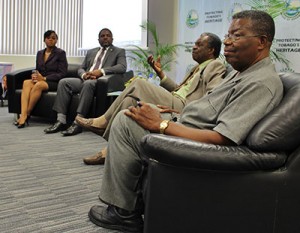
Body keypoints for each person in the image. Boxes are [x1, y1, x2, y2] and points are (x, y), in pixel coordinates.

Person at [87, 10, 284, 233]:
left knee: (125, 120)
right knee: (139, 108)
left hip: (195, 143)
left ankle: (124, 213)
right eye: (228, 35)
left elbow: (222, 138)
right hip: (184, 122)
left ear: (261, 42)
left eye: (236, 35)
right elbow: (205, 106)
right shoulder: (242, 73)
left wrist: (161, 125)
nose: (227, 42)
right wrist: (171, 115)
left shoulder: (260, 83)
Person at [76, 32, 227, 165]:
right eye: (194, 44)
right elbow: (177, 89)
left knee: (139, 83)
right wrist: (160, 73)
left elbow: (212, 98)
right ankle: (111, 149)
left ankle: (103, 122)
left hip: (183, 108)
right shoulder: (196, 68)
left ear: (211, 50)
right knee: (130, 103)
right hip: (174, 99)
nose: (194, 47)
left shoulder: (215, 66)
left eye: (199, 44)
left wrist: (180, 112)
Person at [44, 28, 127, 136]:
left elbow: (122, 67)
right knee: (64, 82)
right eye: (102, 36)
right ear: (98, 39)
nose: (105, 37)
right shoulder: (91, 52)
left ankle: (78, 122)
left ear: (112, 38)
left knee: (88, 84)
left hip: (100, 82)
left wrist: (100, 72)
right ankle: (61, 120)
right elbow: (81, 68)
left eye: (108, 35)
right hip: (86, 79)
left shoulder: (119, 51)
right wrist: (84, 75)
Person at [14, 30, 68, 128]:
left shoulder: (60, 53)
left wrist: (44, 78)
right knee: (26, 82)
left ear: (56, 40)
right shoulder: (39, 53)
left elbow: (62, 73)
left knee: (39, 85)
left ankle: (26, 115)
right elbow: (37, 69)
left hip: (53, 82)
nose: (51, 40)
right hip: (41, 79)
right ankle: (23, 114)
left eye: (53, 38)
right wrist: (35, 75)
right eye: (48, 38)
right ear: (44, 40)